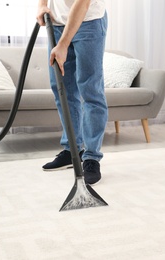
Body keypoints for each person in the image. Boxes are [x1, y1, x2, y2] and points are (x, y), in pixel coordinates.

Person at [36, 0, 108, 185]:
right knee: (62, 90)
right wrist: (42, 5)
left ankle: (91, 158)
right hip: (58, 23)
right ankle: (72, 151)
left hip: (89, 21)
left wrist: (63, 44)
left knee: (90, 91)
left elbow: (82, 3)